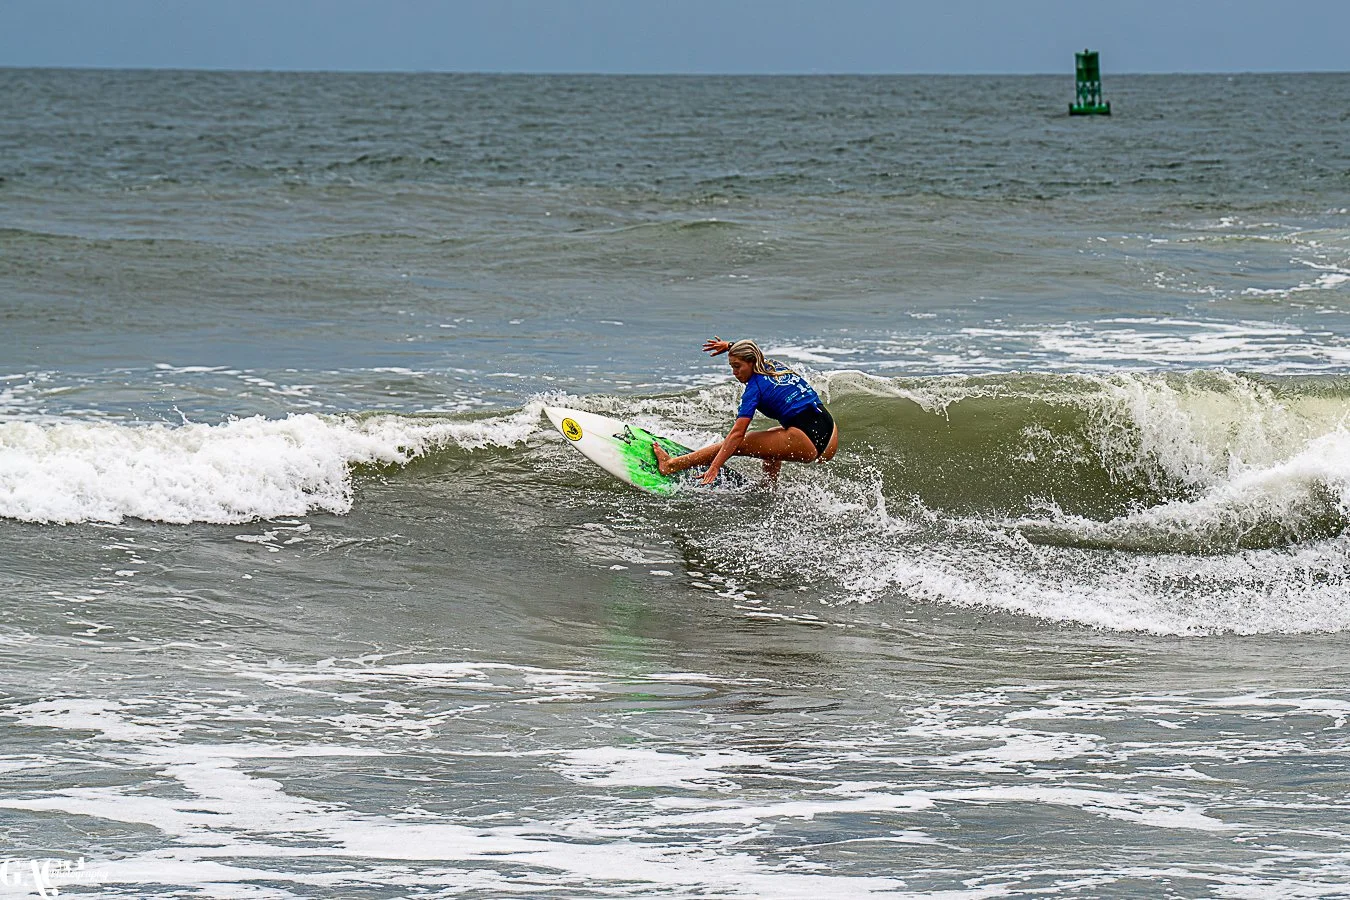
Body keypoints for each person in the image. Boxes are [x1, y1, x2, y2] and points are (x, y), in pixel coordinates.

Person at [653, 337, 839, 486]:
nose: (734, 372)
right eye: (732, 366)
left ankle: (671, 465)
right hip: (828, 431)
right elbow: (753, 351)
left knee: (741, 443)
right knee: (771, 439)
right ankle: (769, 487)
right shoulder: (774, 366)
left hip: (807, 441)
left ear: (750, 362)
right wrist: (729, 346)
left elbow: (736, 435)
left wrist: (715, 466)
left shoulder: (754, 389)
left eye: (737, 366)